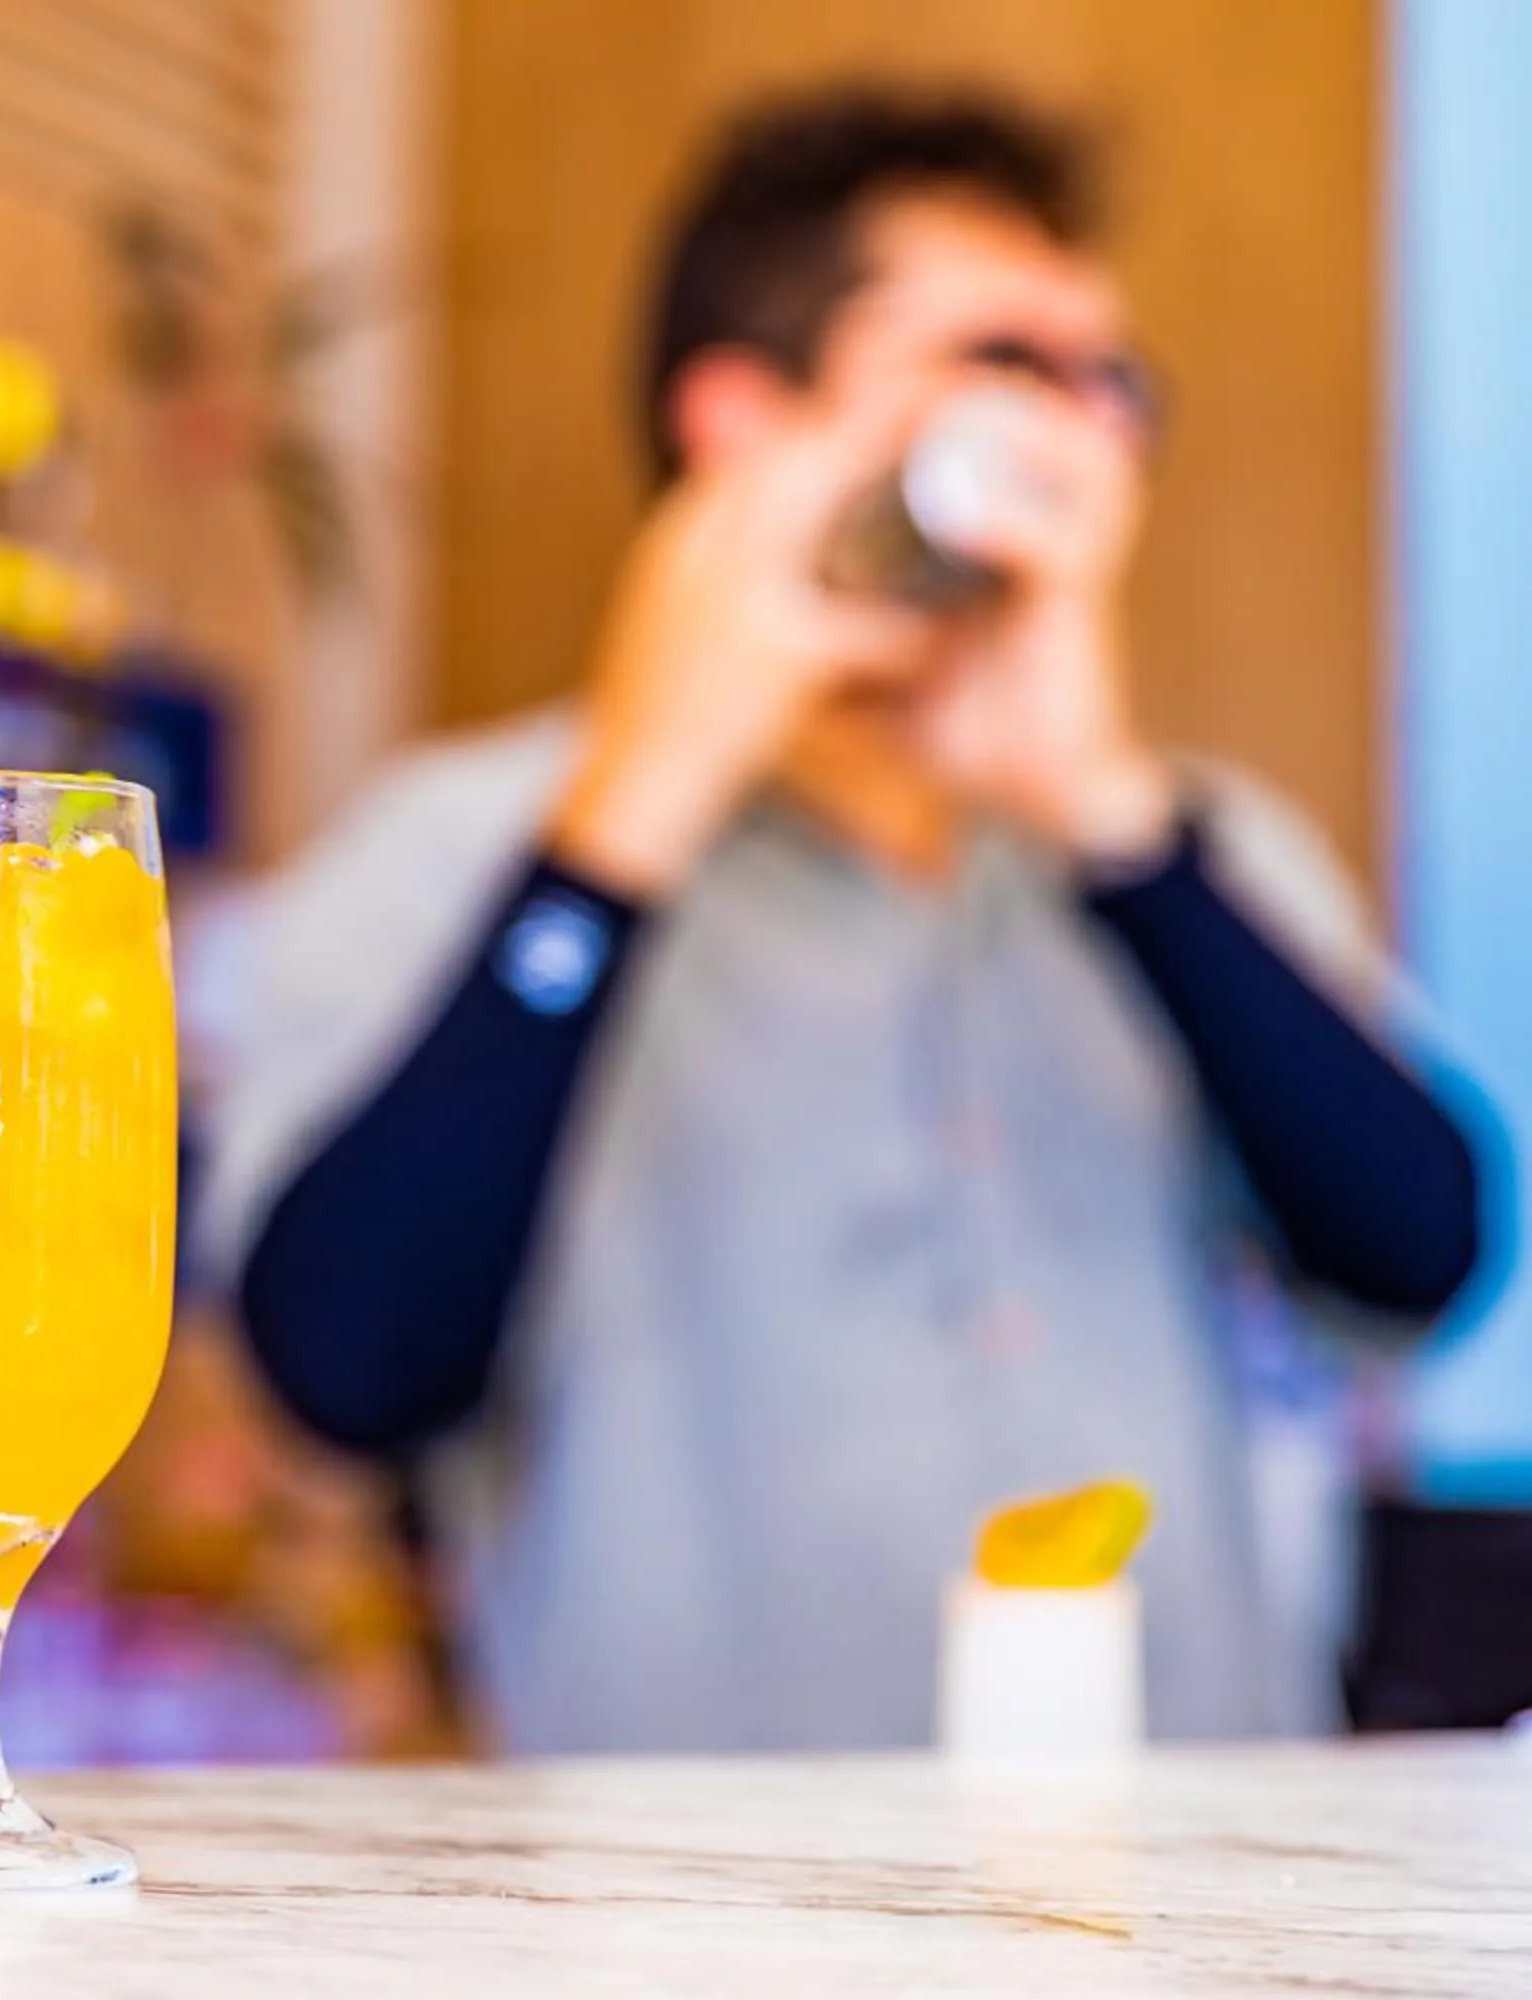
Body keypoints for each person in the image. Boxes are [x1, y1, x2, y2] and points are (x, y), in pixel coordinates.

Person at [204, 85, 1500, 1755]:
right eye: (1007, 367)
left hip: (1195, 1898)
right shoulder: (458, 853)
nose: (1083, 439)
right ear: (743, 422)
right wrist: (631, 819)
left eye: (1113, 384)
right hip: (679, 1918)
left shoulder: (1191, 846)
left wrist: (1109, 819)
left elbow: (1420, 1263)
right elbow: (348, 1369)